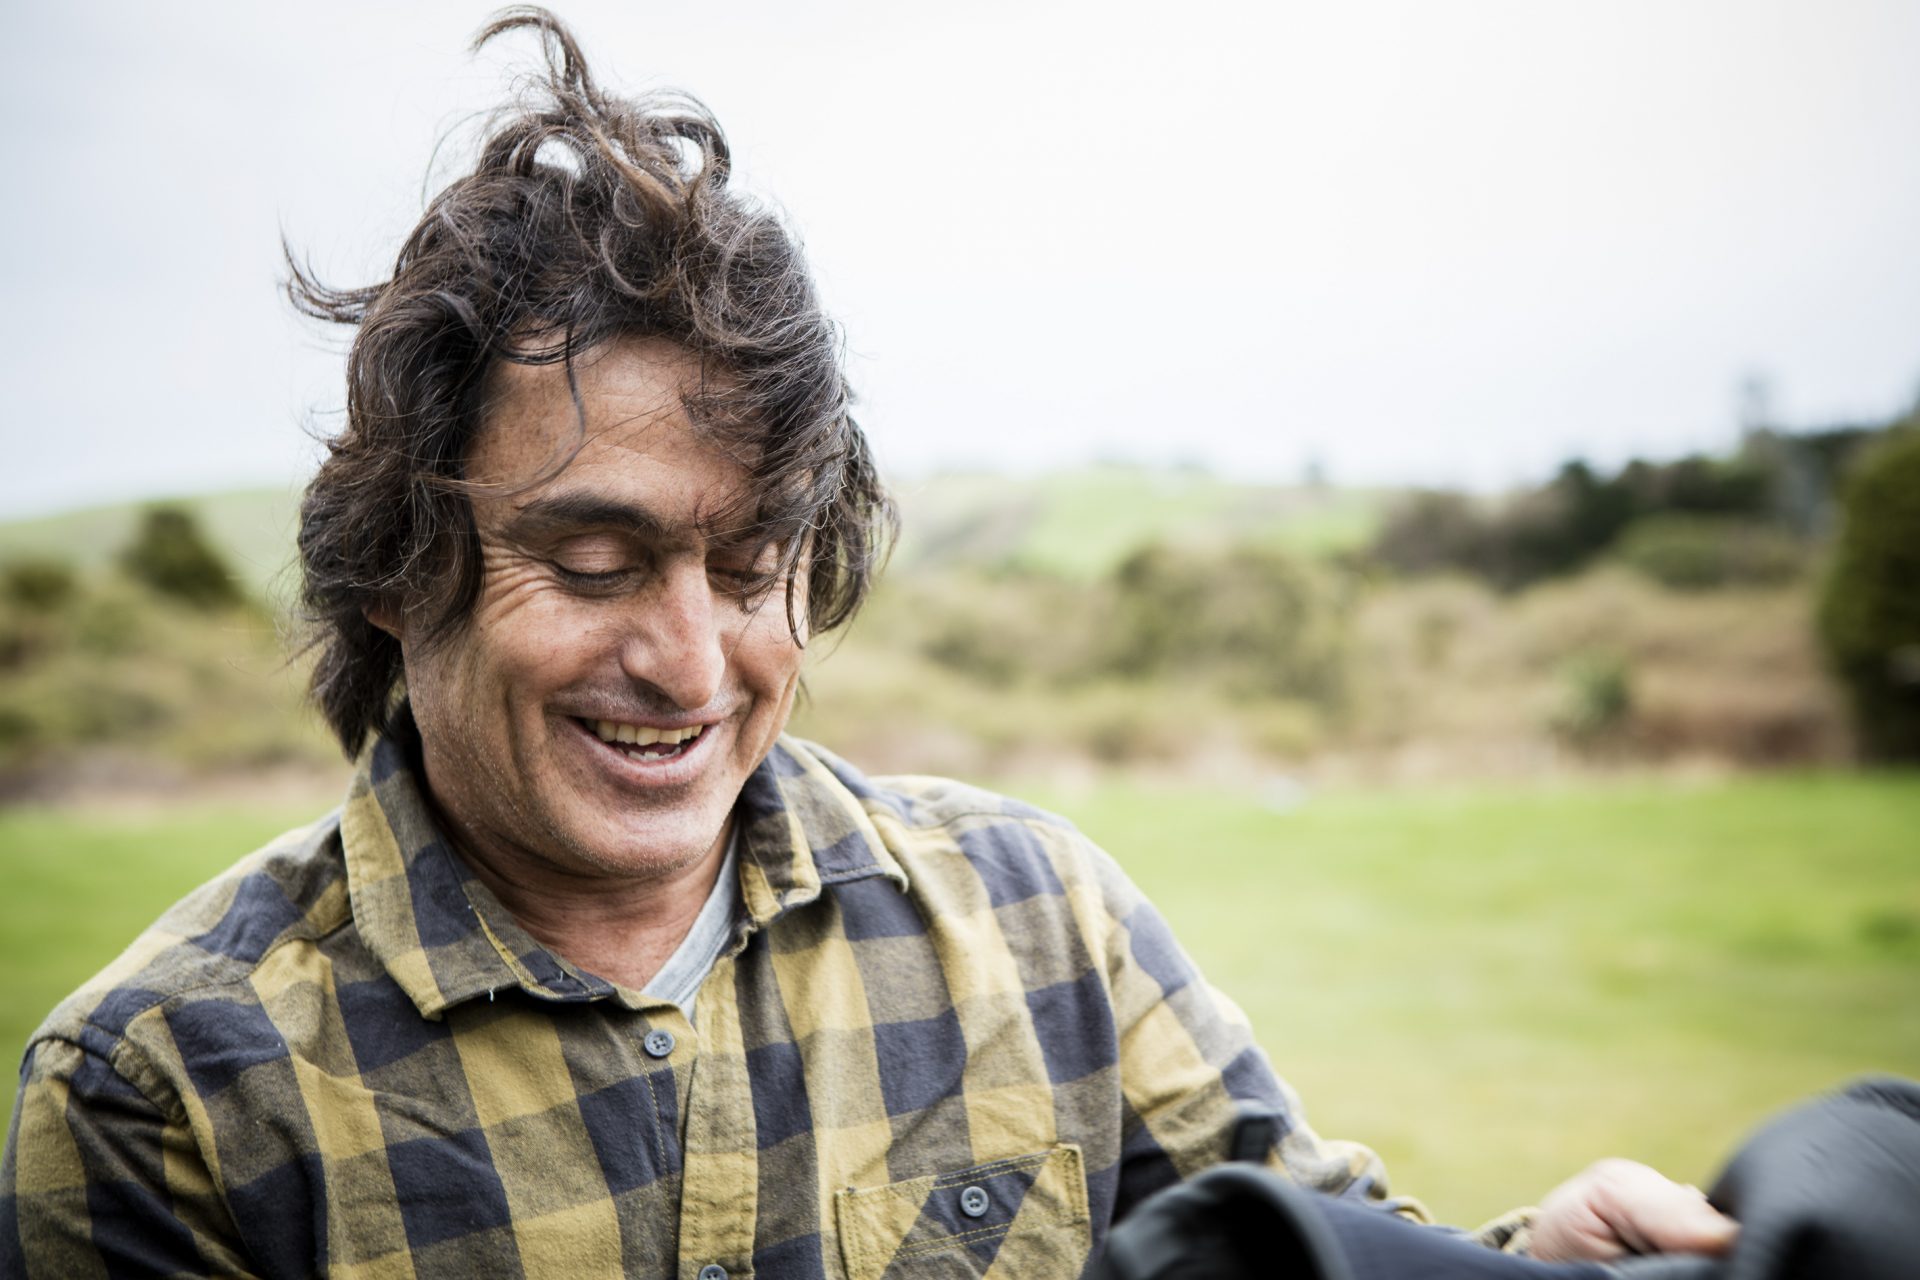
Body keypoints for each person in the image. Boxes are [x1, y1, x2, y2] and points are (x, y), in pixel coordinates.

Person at [0, 10, 1736, 1277]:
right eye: (594, 567)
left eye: (753, 567)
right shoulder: (166, 1091)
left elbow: (1319, 1255)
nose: (693, 667)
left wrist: (1537, 1262)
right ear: (395, 567)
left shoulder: (1038, 919)